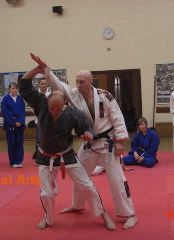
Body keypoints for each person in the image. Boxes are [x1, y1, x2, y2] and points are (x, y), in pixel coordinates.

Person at [30, 53, 137, 229]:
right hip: (89, 144)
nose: (78, 85)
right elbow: (58, 85)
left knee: (117, 179)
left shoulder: (105, 96)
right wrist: (46, 69)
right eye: (77, 81)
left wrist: (120, 142)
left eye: (82, 82)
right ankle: (78, 205)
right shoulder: (73, 95)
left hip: (108, 142)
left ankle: (129, 214)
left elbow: (117, 117)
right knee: (80, 177)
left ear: (90, 82)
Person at [19, 70, 116, 230]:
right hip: (45, 157)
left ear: (65, 104)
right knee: (47, 194)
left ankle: (103, 214)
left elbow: (86, 129)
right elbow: (25, 86)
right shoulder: (41, 103)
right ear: (47, 102)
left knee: (87, 186)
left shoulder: (73, 113)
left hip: (67, 155)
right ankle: (48, 217)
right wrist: (37, 69)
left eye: (58, 109)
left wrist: (87, 134)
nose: (54, 112)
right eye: (52, 109)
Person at [1, 82, 25, 168]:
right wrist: (14, 122)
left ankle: (19, 161)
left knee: (19, 143)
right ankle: (13, 161)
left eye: (15, 88)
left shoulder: (20, 99)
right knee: (12, 143)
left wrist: (20, 121)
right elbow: (4, 113)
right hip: (10, 125)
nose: (14, 90)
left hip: (20, 124)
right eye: (12, 88)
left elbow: (23, 111)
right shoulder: (5, 99)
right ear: (9, 89)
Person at [33, 77, 52, 161]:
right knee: (39, 140)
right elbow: (33, 107)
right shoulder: (36, 94)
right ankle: (39, 157)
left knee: (50, 140)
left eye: (45, 84)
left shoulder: (51, 94)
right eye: (42, 84)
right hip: (40, 121)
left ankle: (51, 156)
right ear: (39, 84)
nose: (44, 85)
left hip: (50, 121)